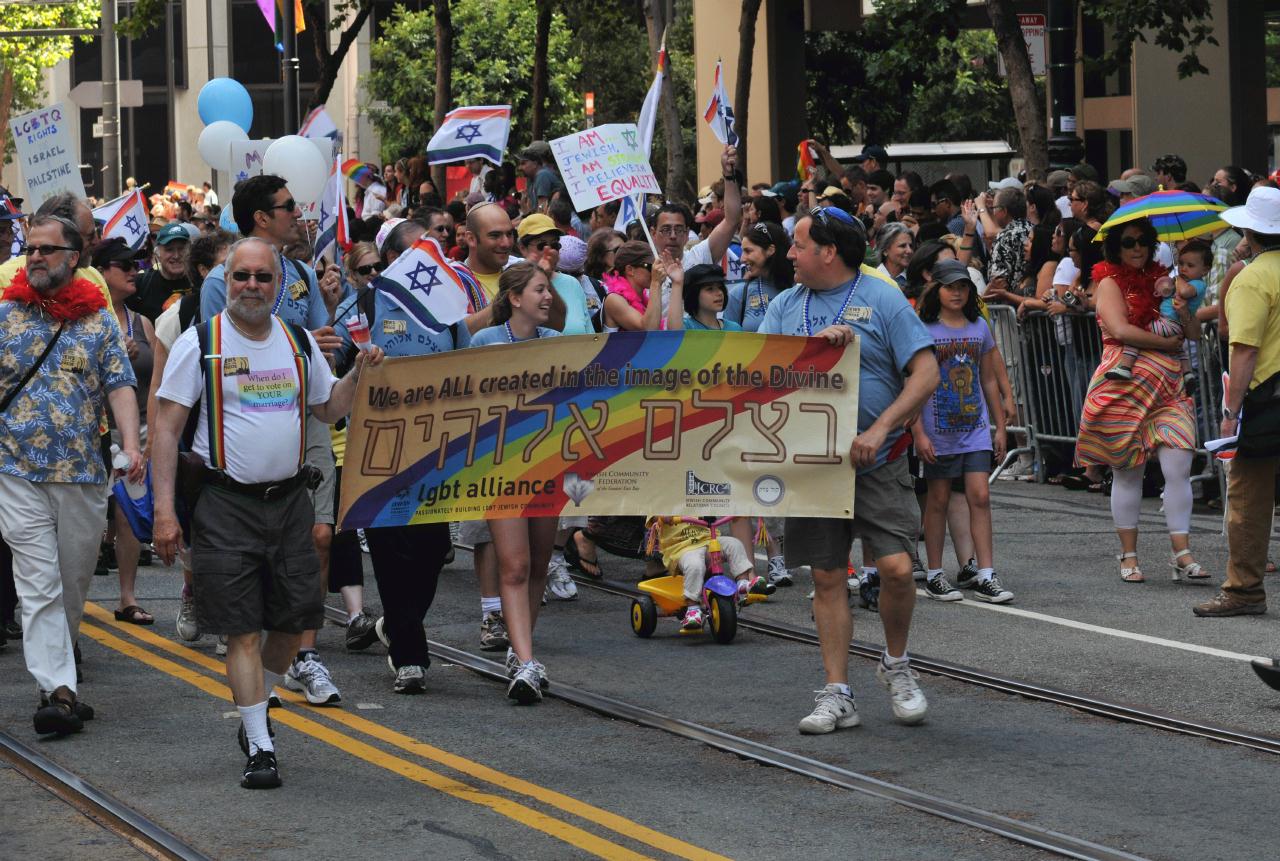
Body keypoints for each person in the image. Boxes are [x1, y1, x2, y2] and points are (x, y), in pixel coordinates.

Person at [152, 236, 384, 787]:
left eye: (263, 278)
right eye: (242, 277)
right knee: (242, 631)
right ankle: (259, 742)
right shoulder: (199, 343)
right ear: (224, 281)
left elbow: (328, 408)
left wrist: (358, 375)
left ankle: (261, 703)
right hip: (225, 504)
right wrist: (164, 511)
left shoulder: (298, 340)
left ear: (279, 287)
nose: (251, 286)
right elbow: (165, 429)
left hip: (289, 503)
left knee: (295, 619)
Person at [757, 206, 939, 734]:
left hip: (877, 463)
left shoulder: (882, 297)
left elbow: (926, 371)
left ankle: (896, 664)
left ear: (828, 252)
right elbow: (755, 374)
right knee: (827, 575)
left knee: (898, 570)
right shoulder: (786, 306)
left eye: (798, 244)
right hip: (814, 467)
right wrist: (811, 353)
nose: (789, 254)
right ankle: (837, 692)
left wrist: (881, 429)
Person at [199, 174, 348, 706]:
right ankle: (246, 652)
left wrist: (329, 332)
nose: (296, 213)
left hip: (303, 415)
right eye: (288, 207)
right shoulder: (223, 277)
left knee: (320, 536)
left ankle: (300, 653)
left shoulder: (304, 273)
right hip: (242, 423)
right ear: (262, 217)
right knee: (251, 558)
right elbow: (211, 349)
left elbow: (325, 348)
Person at [0, 214, 143, 736]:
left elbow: (120, 385)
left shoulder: (99, 321)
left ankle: (58, 674)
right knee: (37, 584)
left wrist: (131, 443)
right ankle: (57, 690)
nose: (34, 256)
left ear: (74, 257)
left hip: (83, 472)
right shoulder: (5, 315)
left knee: (73, 581)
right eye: (30, 247)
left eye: (46, 249)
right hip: (14, 469)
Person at [329, 242, 468, 690]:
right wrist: (356, 362)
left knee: (432, 550)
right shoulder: (366, 302)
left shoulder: (449, 307)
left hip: (437, 451)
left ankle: (398, 622)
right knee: (390, 552)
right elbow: (334, 367)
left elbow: (471, 369)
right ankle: (410, 655)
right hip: (378, 449)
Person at [1075, 218, 1205, 585]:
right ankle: (1128, 555)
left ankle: (1182, 553)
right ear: (1115, 247)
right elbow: (1118, 330)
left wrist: (1183, 314)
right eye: (1129, 242)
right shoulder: (1108, 282)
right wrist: (1166, 343)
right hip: (1124, 385)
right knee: (1127, 471)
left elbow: (1193, 334)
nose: (1137, 248)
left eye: (1144, 242)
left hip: (1169, 388)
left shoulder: (1168, 283)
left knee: (1179, 464)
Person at [469, 263, 561, 703]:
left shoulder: (560, 345)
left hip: (547, 468)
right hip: (500, 469)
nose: (548, 297)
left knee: (540, 565)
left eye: (550, 290)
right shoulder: (484, 342)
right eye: (541, 289)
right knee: (515, 566)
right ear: (515, 298)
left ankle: (523, 652)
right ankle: (525, 661)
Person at [1196, 187, 1280, 616]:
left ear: (1252, 230)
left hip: (1268, 400)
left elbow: (1244, 349)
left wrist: (1230, 413)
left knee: (1247, 495)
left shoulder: (1253, 277)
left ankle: (1244, 590)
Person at [911, 260, 1011, 604]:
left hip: (975, 428)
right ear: (935, 289)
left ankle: (986, 572)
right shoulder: (923, 329)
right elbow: (913, 384)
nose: (957, 292)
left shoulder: (979, 326)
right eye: (950, 286)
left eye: (963, 287)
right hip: (938, 430)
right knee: (937, 499)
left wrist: (1000, 427)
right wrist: (918, 433)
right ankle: (936, 573)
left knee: (980, 497)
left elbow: (987, 379)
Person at [93, 238, 157, 625]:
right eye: (124, 264)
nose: (134, 270)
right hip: (96, 431)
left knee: (131, 514)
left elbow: (158, 379)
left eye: (137, 263)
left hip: (140, 430)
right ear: (101, 272)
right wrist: (113, 357)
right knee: (91, 519)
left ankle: (127, 598)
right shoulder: (85, 320)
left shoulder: (143, 322)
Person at [1106, 238, 1208, 389]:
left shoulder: (1196, 283)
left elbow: (1185, 293)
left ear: (1205, 270)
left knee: (1137, 333)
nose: (1184, 269)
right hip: (1171, 327)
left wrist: (1178, 280)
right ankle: (1187, 373)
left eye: (1190, 266)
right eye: (1181, 264)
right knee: (1178, 346)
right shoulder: (1109, 282)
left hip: (1169, 323)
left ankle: (1125, 366)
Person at [647, 516, 756, 630]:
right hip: (682, 547)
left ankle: (742, 584)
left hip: (709, 539)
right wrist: (662, 516)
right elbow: (653, 516)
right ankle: (692, 608)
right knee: (694, 565)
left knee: (735, 544)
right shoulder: (663, 500)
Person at [728, 221, 793, 331]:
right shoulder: (738, 294)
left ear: (770, 250)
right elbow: (729, 342)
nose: (742, 259)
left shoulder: (800, 289)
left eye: (748, 251)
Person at [127, 222, 193, 322]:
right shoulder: (141, 284)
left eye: (181, 249)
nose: (176, 255)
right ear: (157, 253)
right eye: (169, 249)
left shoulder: (199, 283)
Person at [982, 187, 1033, 298]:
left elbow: (998, 281)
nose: (993, 212)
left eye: (994, 208)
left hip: (1009, 306)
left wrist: (982, 300)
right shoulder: (1033, 229)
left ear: (1004, 211)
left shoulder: (1004, 237)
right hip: (1030, 298)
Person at [601, 241, 661, 332]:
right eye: (650, 267)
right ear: (630, 270)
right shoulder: (614, 299)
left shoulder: (644, 299)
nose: (655, 271)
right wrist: (656, 283)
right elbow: (648, 329)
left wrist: (677, 283)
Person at [518, 142, 565, 214]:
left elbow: (542, 210)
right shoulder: (531, 178)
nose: (519, 168)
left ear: (535, 163)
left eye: (523, 163)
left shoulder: (543, 175)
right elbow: (531, 211)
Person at [875, 222, 913, 287]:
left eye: (911, 246)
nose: (909, 251)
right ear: (885, 250)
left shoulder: (914, 280)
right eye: (902, 246)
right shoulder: (872, 279)